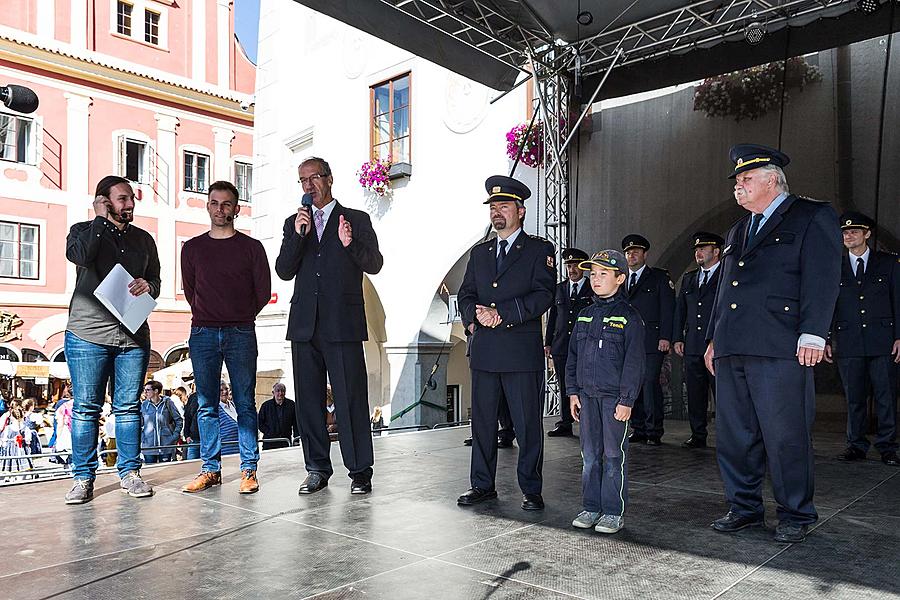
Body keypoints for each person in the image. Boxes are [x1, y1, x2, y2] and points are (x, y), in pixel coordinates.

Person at [705, 144, 841, 543]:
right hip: (733, 346)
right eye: (737, 181)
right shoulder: (737, 230)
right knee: (735, 434)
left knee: (785, 433)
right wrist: (715, 337)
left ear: (772, 180)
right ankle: (744, 507)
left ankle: (796, 512)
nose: (738, 187)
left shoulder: (810, 215)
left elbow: (823, 275)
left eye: (746, 179)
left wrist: (814, 331)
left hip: (781, 345)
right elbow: (725, 290)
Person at [275, 157, 384, 496]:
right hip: (305, 325)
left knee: (351, 399)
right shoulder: (295, 223)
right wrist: (297, 236)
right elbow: (283, 270)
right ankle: (317, 469)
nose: (309, 185)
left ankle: (360, 471)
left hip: (343, 324)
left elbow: (375, 264)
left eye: (314, 177)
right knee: (308, 401)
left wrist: (351, 244)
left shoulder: (356, 219)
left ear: (329, 179)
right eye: (302, 180)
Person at [456, 175, 555, 511]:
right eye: (493, 207)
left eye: (504, 206)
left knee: (527, 424)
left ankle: (531, 488)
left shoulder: (539, 250)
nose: (497, 212)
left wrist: (503, 312)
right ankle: (482, 485)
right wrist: (473, 318)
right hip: (485, 351)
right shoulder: (480, 253)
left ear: (521, 211)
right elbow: (466, 293)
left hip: (519, 352)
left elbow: (544, 295)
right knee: (483, 423)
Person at [63, 175, 160, 504]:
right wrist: (100, 221)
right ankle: (82, 478)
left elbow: (157, 281)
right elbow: (80, 257)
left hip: (132, 336)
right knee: (86, 409)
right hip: (88, 333)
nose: (129, 204)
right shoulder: (82, 231)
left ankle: (130, 474)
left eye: (131, 198)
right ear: (103, 201)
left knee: (129, 408)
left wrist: (149, 286)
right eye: (121, 199)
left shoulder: (144, 240)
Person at [180, 181, 271, 495]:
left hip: (241, 331)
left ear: (237, 208)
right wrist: (211, 314)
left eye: (227, 204)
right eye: (215, 203)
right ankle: (210, 469)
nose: (221, 209)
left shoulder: (251, 248)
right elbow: (191, 291)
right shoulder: (191, 248)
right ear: (208, 206)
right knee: (206, 405)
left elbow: (262, 293)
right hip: (203, 331)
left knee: (245, 402)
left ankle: (248, 469)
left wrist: (238, 315)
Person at [567, 250, 645, 534]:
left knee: (613, 455)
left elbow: (634, 363)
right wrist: (573, 392)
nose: (595, 279)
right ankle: (591, 506)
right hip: (586, 397)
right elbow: (572, 356)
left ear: (620, 278)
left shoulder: (629, 317)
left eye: (603, 274)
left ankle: (613, 511)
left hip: (614, 400)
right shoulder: (584, 316)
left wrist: (627, 400)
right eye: (593, 274)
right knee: (589, 455)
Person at [825, 211, 899, 466]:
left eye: (855, 231)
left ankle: (888, 447)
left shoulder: (888, 263)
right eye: (845, 232)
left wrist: (899, 336)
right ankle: (855, 445)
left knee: (885, 395)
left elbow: (897, 301)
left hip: (883, 340)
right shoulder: (834, 265)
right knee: (854, 396)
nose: (849, 235)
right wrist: (825, 338)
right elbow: (827, 305)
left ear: (867, 234)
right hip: (849, 340)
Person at [622, 234, 675, 445]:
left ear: (645, 254)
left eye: (635, 251)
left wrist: (665, 337)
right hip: (628, 342)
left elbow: (668, 309)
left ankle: (654, 430)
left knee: (650, 383)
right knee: (633, 384)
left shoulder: (659, 278)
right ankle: (639, 428)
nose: (631, 255)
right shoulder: (621, 279)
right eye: (628, 252)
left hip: (652, 341)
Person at [673, 232, 724, 449]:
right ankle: (698, 434)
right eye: (696, 249)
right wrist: (677, 337)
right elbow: (680, 311)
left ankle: (727, 436)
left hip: (719, 345)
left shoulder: (725, 275)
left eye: (703, 248)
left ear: (716, 251)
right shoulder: (689, 278)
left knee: (723, 394)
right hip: (693, 344)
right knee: (695, 393)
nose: (698, 252)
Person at [545, 247, 594, 437]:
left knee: (586, 384)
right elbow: (553, 318)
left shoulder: (592, 288)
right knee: (564, 385)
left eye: (575, 265)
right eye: (568, 265)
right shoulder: (559, 288)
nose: (572, 269)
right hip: (562, 345)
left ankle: (587, 422)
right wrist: (548, 342)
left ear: (583, 267)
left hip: (585, 345)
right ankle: (565, 422)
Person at [140, 381, 183, 463]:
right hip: (149, 446)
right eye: (144, 390)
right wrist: (143, 438)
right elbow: (140, 423)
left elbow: (178, 419)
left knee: (165, 471)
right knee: (150, 471)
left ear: (156, 391)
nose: (145, 392)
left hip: (166, 445)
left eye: (148, 390)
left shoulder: (167, 403)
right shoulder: (144, 405)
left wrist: (174, 436)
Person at [257, 383, 297, 450]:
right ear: (273, 392)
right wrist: (269, 432)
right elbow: (259, 423)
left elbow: (296, 423)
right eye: (278, 391)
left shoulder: (291, 405)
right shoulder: (266, 406)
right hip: (269, 442)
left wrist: (296, 440)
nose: (280, 393)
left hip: (285, 442)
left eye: (282, 391)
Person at [217, 382, 240, 456]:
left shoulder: (235, 405)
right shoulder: (215, 409)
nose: (224, 392)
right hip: (226, 452)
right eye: (221, 390)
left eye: (226, 389)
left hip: (240, 451)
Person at [182, 389, 201, 461]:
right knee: (191, 465)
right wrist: (186, 435)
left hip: (209, 439)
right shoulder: (193, 397)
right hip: (194, 438)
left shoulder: (213, 395)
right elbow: (187, 416)